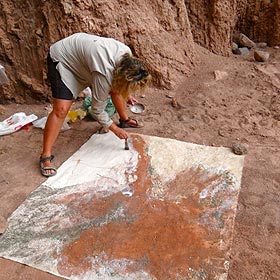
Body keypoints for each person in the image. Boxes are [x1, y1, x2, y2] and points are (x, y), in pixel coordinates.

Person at [40, 32, 151, 177]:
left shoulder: (127, 55)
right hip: (64, 59)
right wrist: (114, 129)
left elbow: (119, 84)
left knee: (116, 89)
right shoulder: (104, 74)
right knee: (61, 110)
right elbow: (97, 109)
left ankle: (124, 120)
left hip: (86, 59)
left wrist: (126, 93)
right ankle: (45, 156)